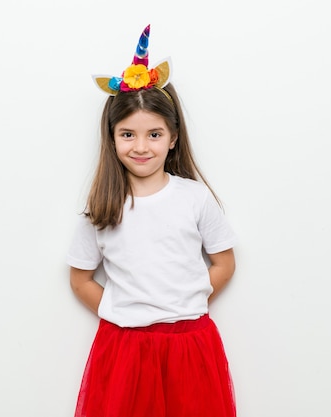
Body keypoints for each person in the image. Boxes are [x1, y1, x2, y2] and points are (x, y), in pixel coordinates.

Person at [67, 24, 238, 417]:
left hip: (189, 345)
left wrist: (185, 298)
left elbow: (224, 262)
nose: (140, 147)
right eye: (127, 134)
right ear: (111, 138)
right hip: (125, 347)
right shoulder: (103, 206)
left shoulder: (194, 197)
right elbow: (80, 279)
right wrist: (123, 308)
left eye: (154, 134)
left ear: (173, 137)